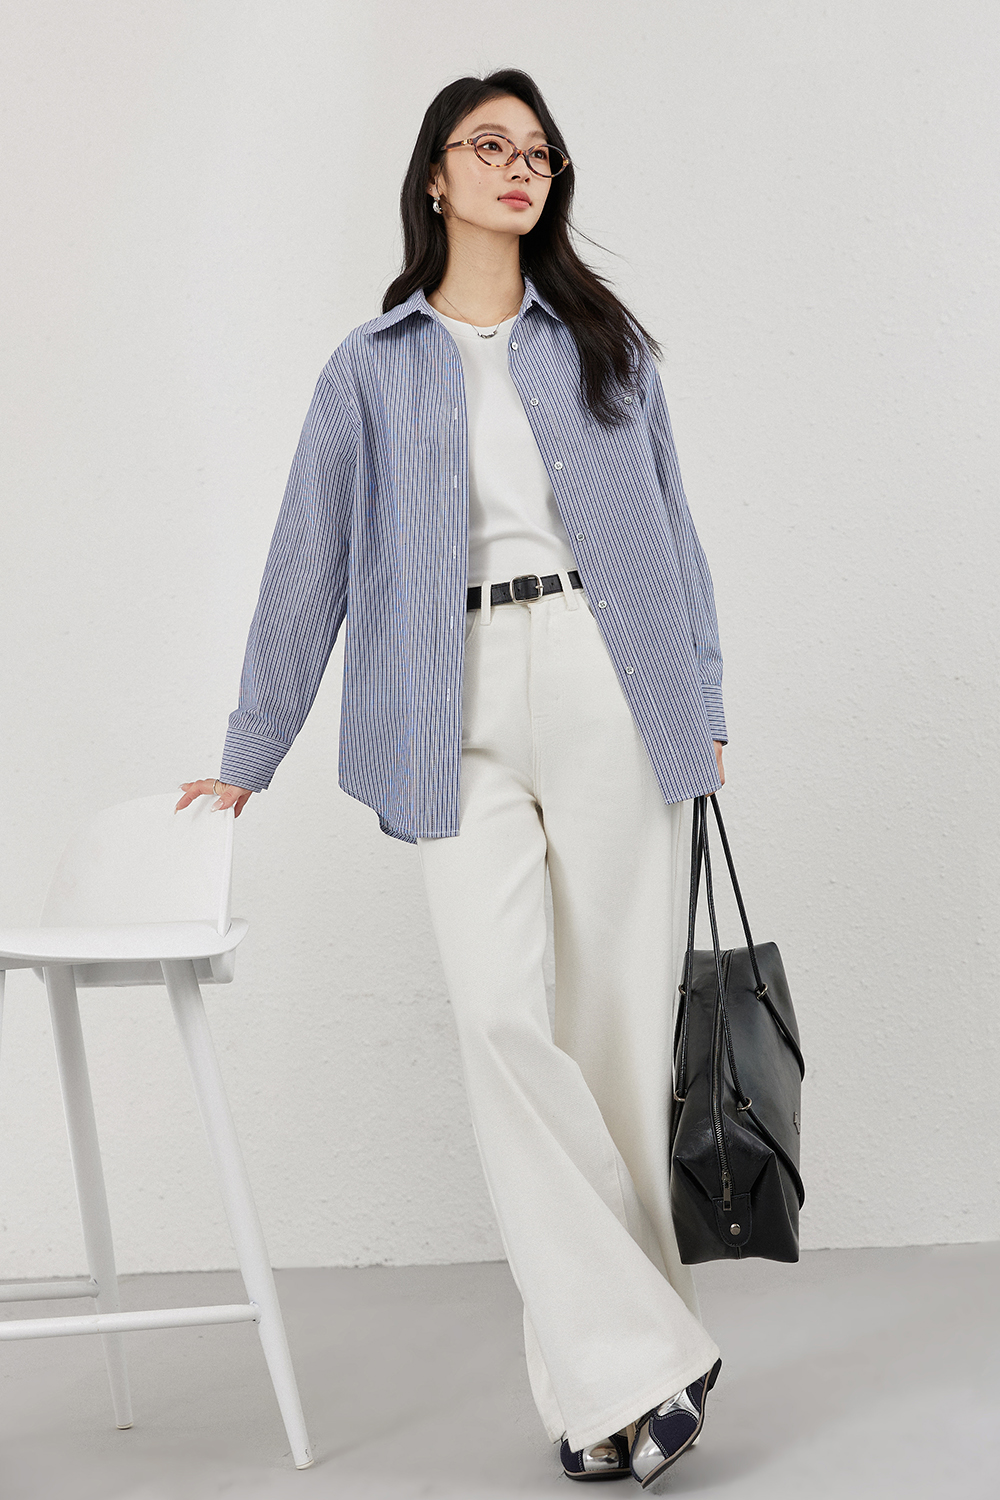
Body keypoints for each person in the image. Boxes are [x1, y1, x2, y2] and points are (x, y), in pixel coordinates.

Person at [176, 68, 727, 1488]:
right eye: (489, 146)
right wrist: (250, 751)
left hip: (608, 680)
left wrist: (704, 703)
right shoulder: (368, 368)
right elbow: (307, 561)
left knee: (613, 1045)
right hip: (450, 705)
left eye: (537, 150)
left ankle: (612, 1396)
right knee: (498, 1023)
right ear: (435, 175)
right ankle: (650, 1358)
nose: (518, 166)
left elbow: (673, 529)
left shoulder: (603, 344)